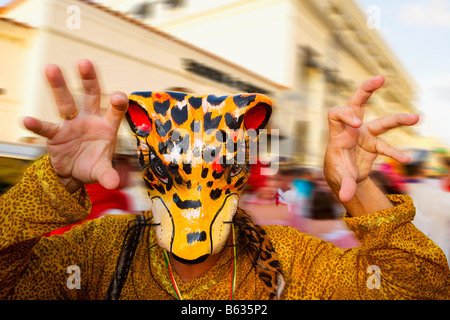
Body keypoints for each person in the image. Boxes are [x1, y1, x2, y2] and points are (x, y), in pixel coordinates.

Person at [0, 59, 449, 299]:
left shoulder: (290, 261)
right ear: (148, 173)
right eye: (172, 172)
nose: (193, 200)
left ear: (238, 177)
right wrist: (54, 183)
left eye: (212, 172)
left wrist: (358, 188)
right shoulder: (98, 254)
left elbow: (420, 291)